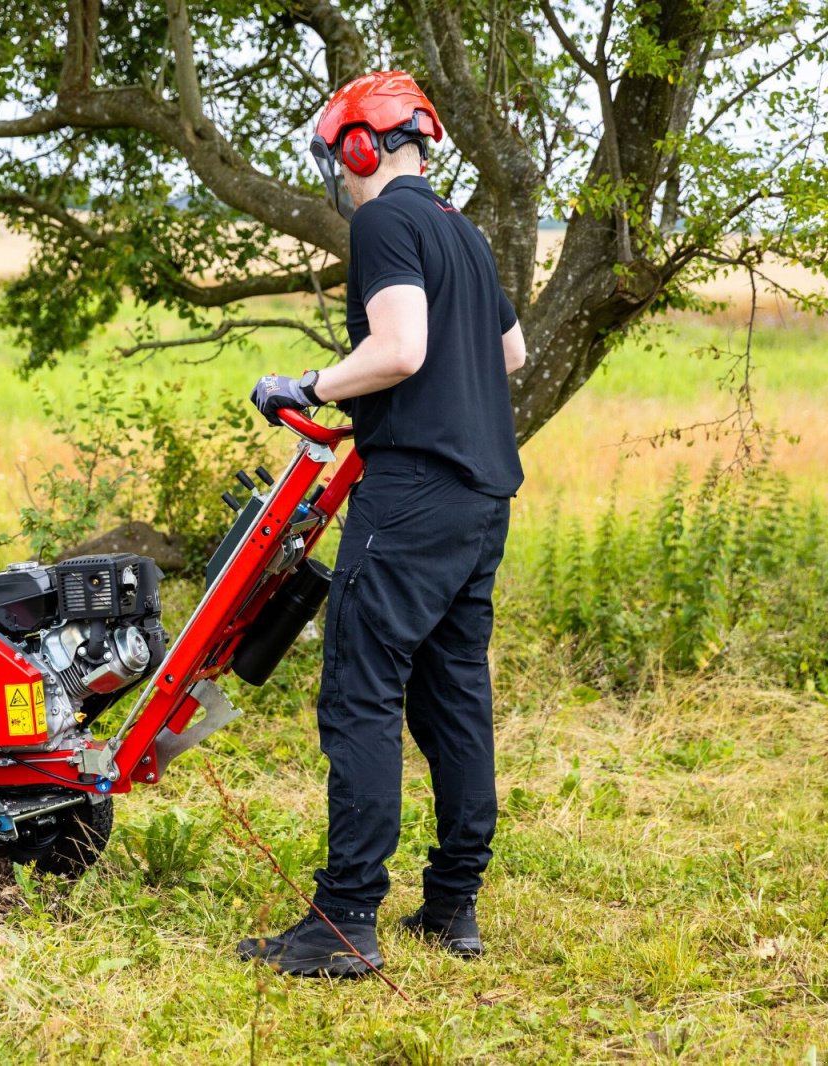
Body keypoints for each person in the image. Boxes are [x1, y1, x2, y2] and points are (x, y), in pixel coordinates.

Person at [240, 70, 528, 978]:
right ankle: (453, 904)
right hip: (483, 500)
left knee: (361, 691)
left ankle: (343, 924)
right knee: (453, 694)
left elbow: (400, 349)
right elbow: (510, 353)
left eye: (340, 156)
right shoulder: (464, 233)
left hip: (409, 496)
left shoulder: (383, 222)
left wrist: (310, 384)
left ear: (359, 147)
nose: (342, 173)